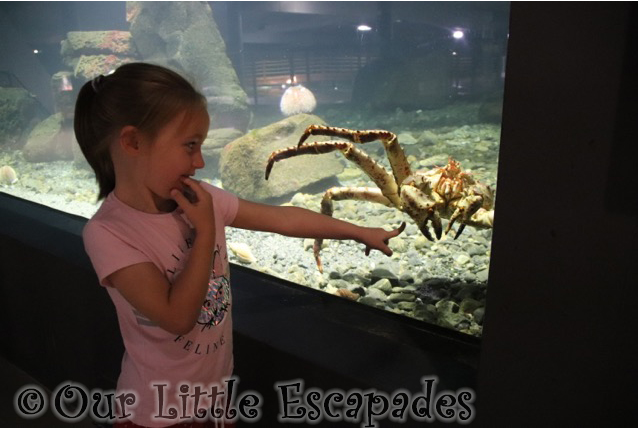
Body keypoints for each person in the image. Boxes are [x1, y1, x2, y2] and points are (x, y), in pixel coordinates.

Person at [75, 62, 404, 428]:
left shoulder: (200, 199)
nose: (199, 162)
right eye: (190, 146)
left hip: (216, 400)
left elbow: (283, 219)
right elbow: (178, 318)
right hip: (155, 414)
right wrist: (205, 233)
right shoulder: (109, 233)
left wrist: (358, 231)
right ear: (134, 141)